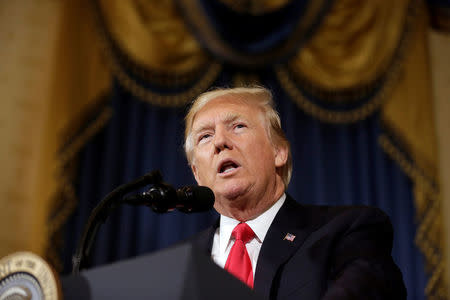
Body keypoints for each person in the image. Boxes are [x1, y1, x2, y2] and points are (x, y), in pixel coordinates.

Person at [184, 86, 406, 299]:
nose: (220, 142)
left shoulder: (346, 231)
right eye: (205, 136)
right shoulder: (181, 263)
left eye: (238, 126)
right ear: (197, 175)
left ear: (278, 152)